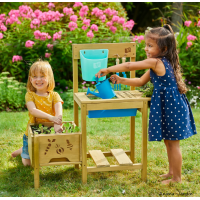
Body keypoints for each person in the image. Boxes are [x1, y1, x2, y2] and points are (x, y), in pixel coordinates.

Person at [96, 24, 197, 185]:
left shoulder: (156, 62)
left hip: (173, 107)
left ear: (163, 48)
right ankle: (171, 172)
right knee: (168, 140)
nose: (146, 49)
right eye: (146, 45)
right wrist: (122, 80)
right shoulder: (157, 64)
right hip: (169, 106)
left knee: (173, 142)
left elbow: (129, 66)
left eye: (150, 46)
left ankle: (177, 178)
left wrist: (108, 69)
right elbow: (140, 81)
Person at [11, 60, 64, 166]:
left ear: (49, 78)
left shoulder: (55, 95)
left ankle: (25, 150)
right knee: (28, 164)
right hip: (32, 134)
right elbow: (33, 111)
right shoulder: (30, 95)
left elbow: (59, 112)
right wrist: (51, 118)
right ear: (30, 79)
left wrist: (57, 124)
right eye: (35, 76)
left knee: (46, 156)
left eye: (42, 76)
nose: (38, 79)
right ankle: (23, 151)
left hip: (48, 133)